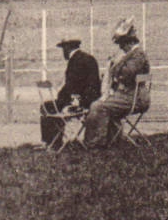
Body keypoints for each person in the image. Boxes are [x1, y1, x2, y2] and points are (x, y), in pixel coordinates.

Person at [85, 19, 151, 150]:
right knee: (102, 104)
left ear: (129, 42)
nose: (121, 47)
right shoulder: (133, 55)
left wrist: (114, 65)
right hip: (130, 96)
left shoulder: (138, 55)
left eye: (122, 43)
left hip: (134, 98)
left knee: (98, 106)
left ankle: (96, 143)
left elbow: (127, 74)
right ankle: (113, 140)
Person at [41, 38, 102, 151]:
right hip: (91, 99)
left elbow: (72, 86)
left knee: (46, 106)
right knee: (54, 105)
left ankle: (52, 143)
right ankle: (54, 142)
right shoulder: (87, 58)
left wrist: (61, 97)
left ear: (67, 48)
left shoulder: (75, 61)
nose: (63, 52)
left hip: (81, 101)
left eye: (63, 49)